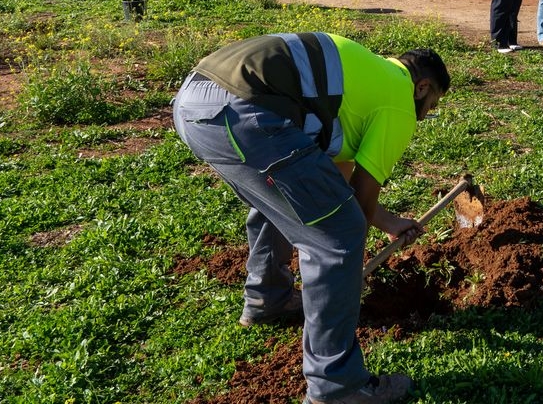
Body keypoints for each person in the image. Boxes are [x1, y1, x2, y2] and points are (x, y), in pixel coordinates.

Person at [171, 34, 450, 404]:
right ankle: (337, 387)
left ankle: (268, 299)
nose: (428, 113)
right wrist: (346, 268)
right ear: (422, 87)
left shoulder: (366, 77)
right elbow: (356, 211)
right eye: (432, 103)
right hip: (245, 112)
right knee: (339, 233)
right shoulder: (399, 101)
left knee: (287, 198)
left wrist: (389, 221)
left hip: (195, 104)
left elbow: (328, 184)